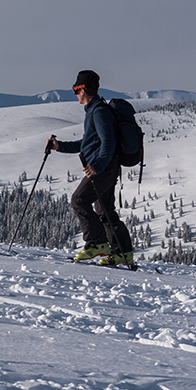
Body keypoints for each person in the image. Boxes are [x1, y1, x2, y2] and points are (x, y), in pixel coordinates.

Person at [45, 70, 135, 268]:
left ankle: (96, 243)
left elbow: (108, 142)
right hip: (106, 167)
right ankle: (123, 253)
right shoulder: (95, 111)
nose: (75, 94)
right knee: (105, 211)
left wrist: (97, 166)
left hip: (103, 168)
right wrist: (59, 146)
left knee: (79, 200)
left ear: (83, 89)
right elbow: (86, 144)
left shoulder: (99, 111)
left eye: (76, 90)